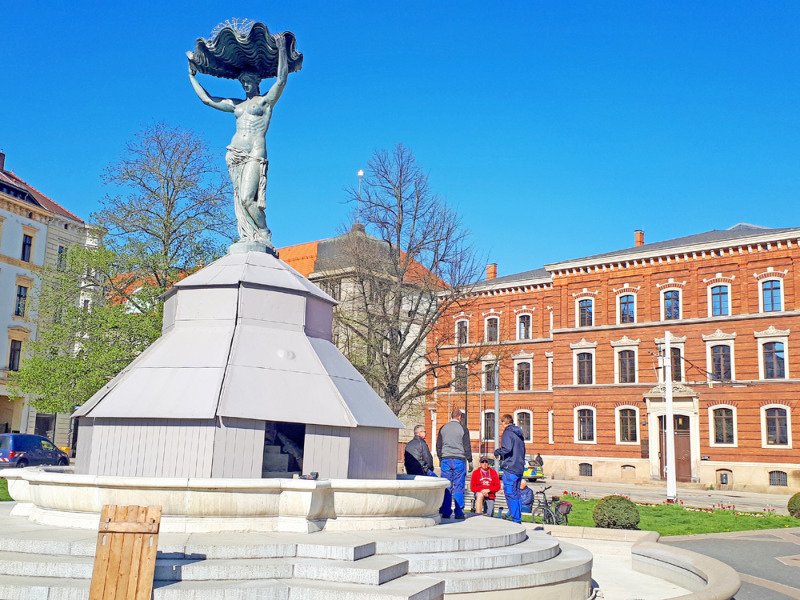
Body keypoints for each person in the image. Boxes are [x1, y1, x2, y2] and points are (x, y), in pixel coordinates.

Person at [188, 33, 289, 253]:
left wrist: (281, 49)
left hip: (254, 153)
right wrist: (192, 77)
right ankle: (248, 234)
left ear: (257, 81)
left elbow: (281, 79)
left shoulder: (265, 102)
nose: (244, 84)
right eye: (242, 81)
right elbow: (208, 100)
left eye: (248, 80)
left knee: (247, 199)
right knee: (239, 201)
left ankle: (263, 232)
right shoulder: (237, 106)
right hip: (234, 155)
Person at [436, 408, 473, 520]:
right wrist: (470, 461)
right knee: (458, 487)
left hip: (446, 459)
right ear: (460, 417)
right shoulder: (463, 429)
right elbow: (467, 447)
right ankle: (459, 512)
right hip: (459, 460)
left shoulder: (443, 428)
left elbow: (438, 446)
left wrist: (441, 458)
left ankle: (446, 512)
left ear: (451, 416)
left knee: (447, 487)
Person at [494, 414, 526, 523]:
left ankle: (515, 519)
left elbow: (507, 448)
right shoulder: (519, 433)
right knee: (517, 494)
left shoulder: (508, 432)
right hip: (519, 467)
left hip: (510, 467)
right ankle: (518, 518)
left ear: (504, 422)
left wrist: (497, 452)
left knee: (510, 494)